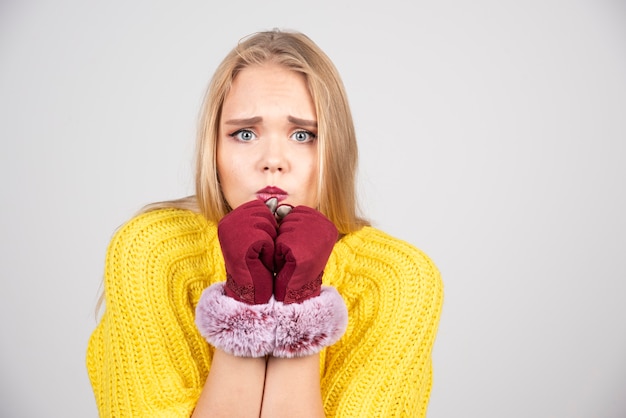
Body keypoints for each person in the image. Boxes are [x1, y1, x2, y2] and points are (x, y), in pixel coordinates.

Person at [86, 29, 444, 417]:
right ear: (214, 149)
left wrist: (302, 303)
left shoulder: (397, 278)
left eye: (303, 134)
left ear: (335, 149)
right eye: (245, 133)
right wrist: (243, 301)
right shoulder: (152, 252)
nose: (273, 160)